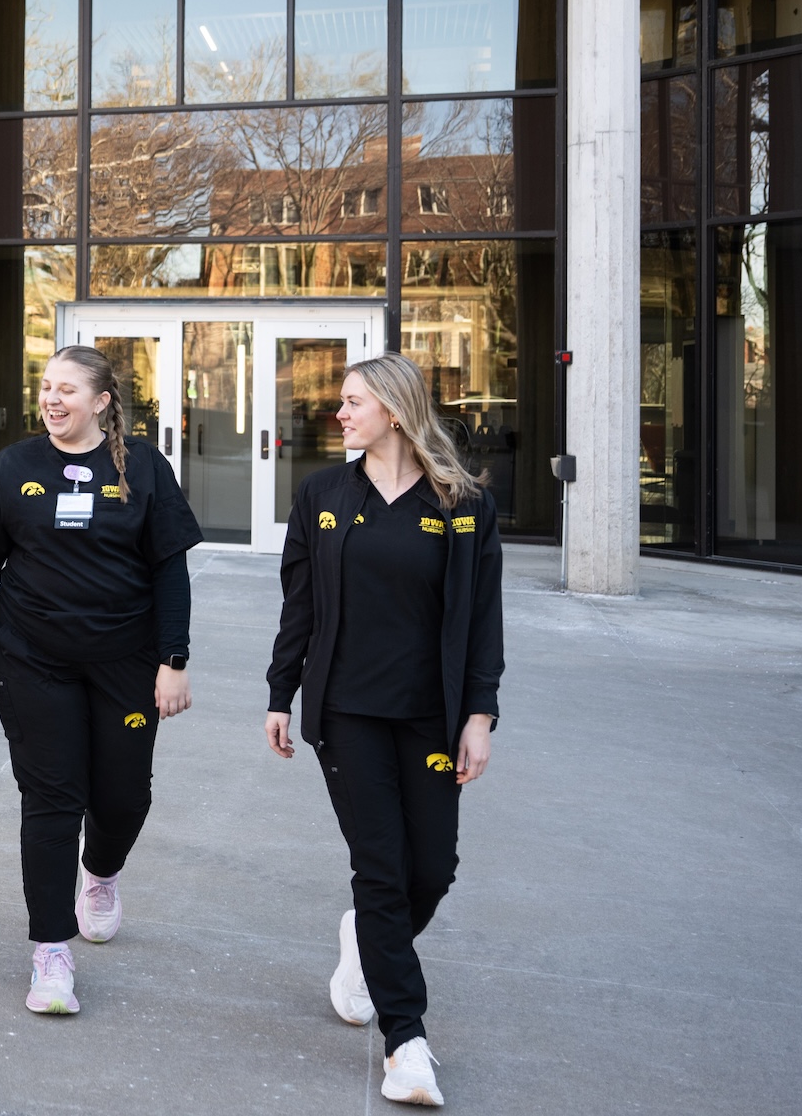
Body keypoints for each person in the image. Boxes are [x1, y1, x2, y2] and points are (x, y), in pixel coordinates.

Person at [264, 352, 505, 1109]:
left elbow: (484, 619)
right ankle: (407, 1044)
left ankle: (366, 941)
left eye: (353, 402)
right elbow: (299, 603)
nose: (339, 413)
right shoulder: (324, 495)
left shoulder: (462, 502)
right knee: (380, 867)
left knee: (431, 870)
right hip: (347, 713)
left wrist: (480, 715)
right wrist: (280, 693)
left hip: (430, 715)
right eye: (341, 401)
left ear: (395, 412)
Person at [0, 345, 200, 1016]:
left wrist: (173, 659)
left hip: (126, 659)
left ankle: (100, 873)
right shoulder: (15, 466)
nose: (51, 399)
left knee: (122, 798)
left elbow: (169, 569)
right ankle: (51, 950)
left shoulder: (144, 467)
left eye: (67, 390)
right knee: (52, 798)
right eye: (46, 386)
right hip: (30, 657)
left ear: (102, 402)